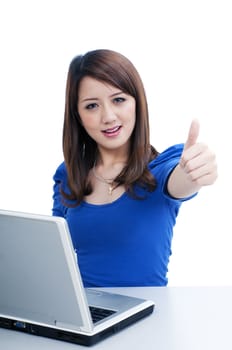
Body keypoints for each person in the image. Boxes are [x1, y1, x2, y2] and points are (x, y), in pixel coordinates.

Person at [52, 49, 217, 287]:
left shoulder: (160, 169)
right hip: (85, 317)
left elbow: (181, 180)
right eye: (91, 106)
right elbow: (57, 256)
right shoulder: (68, 174)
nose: (108, 117)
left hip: (149, 317)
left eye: (118, 100)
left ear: (137, 104)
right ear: (77, 115)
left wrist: (195, 171)